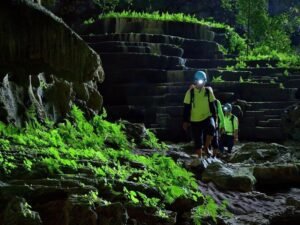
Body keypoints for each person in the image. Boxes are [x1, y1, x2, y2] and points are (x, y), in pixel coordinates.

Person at [183, 71, 217, 157]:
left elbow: (213, 107)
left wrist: (215, 119)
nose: (200, 83)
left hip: (207, 117)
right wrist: (185, 121)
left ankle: (206, 147)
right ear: (195, 81)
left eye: (203, 81)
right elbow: (186, 108)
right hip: (195, 120)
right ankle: (200, 159)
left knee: (212, 128)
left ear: (205, 81)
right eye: (198, 81)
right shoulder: (190, 93)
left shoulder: (208, 91)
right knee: (198, 142)